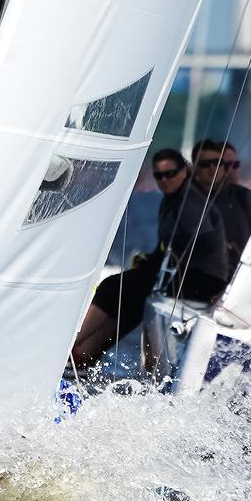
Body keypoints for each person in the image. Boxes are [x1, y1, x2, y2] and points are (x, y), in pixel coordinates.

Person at [69, 147, 191, 368]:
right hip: (159, 272)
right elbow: (166, 247)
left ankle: (73, 349)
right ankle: (79, 354)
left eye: (170, 174)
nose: (164, 180)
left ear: (184, 171)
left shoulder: (191, 202)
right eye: (159, 176)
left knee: (112, 287)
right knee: (118, 293)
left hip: (175, 278)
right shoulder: (172, 201)